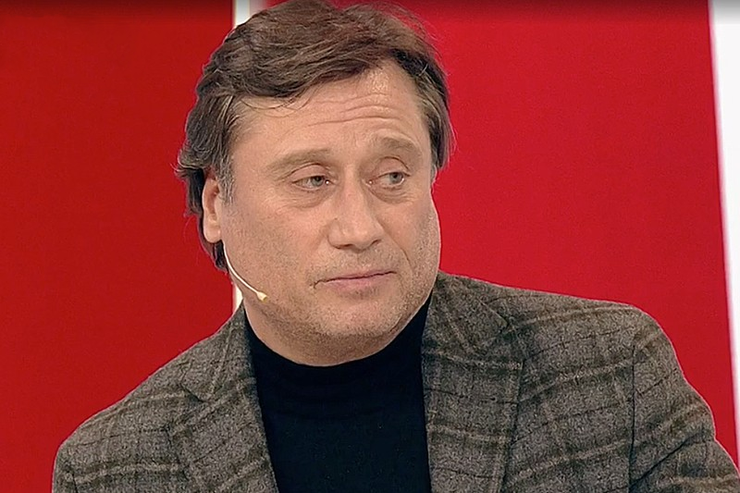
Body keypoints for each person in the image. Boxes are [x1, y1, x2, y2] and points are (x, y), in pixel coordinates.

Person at [53, 0, 740, 491]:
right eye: (312, 180)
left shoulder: (612, 373)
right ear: (214, 204)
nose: (360, 227)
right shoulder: (114, 467)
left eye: (391, 176)